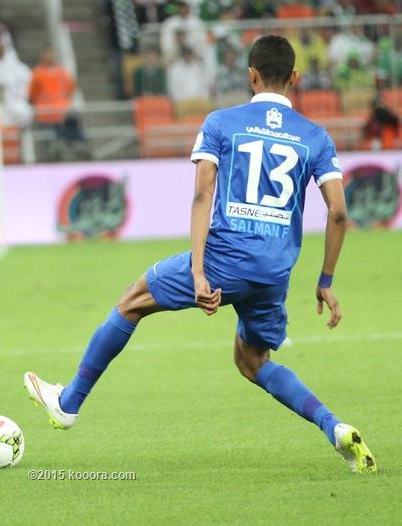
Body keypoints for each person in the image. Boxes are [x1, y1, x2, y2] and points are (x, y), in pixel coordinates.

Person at [24, 35, 378, 474]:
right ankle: (333, 425)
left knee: (132, 301)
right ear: (295, 79)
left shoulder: (221, 122)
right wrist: (325, 282)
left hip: (223, 259)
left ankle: (68, 402)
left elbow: (202, 195)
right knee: (252, 361)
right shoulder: (315, 137)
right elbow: (339, 213)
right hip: (274, 271)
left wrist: (197, 272)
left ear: (250, 76)